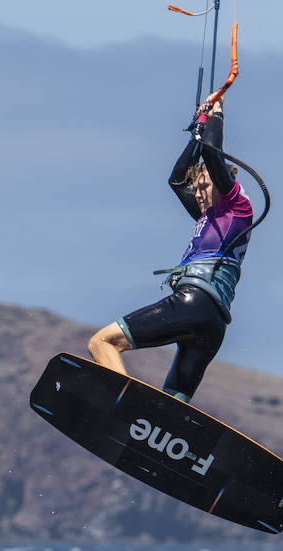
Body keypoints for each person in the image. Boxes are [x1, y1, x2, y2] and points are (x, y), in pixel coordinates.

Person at [88, 96, 252, 403]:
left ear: (223, 183)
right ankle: (154, 436)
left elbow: (214, 158)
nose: (199, 194)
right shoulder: (210, 217)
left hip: (194, 303)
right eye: (198, 189)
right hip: (212, 327)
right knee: (171, 408)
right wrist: (197, 132)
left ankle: (123, 408)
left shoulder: (237, 208)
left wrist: (216, 116)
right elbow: (177, 180)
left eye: (204, 187)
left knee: (103, 342)